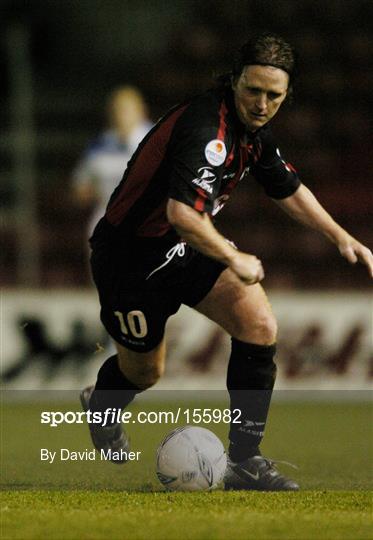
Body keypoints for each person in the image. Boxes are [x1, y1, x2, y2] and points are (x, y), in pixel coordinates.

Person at [80, 33, 373, 491]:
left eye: (273, 95)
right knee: (145, 372)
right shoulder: (206, 129)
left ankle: (244, 460)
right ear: (235, 80)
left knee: (258, 325)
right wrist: (233, 256)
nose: (261, 103)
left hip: (184, 248)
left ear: (285, 95)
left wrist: (340, 236)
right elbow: (181, 215)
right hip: (130, 260)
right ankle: (102, 403)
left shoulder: (253, 132)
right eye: (252, 90)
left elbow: (286, 187)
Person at [72, 86, 152, 237]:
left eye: (125, 109)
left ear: (141, 111)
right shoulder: (98, 146)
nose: (120, 115)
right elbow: (80, 190)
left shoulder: (158, 141)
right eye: (116, 110)